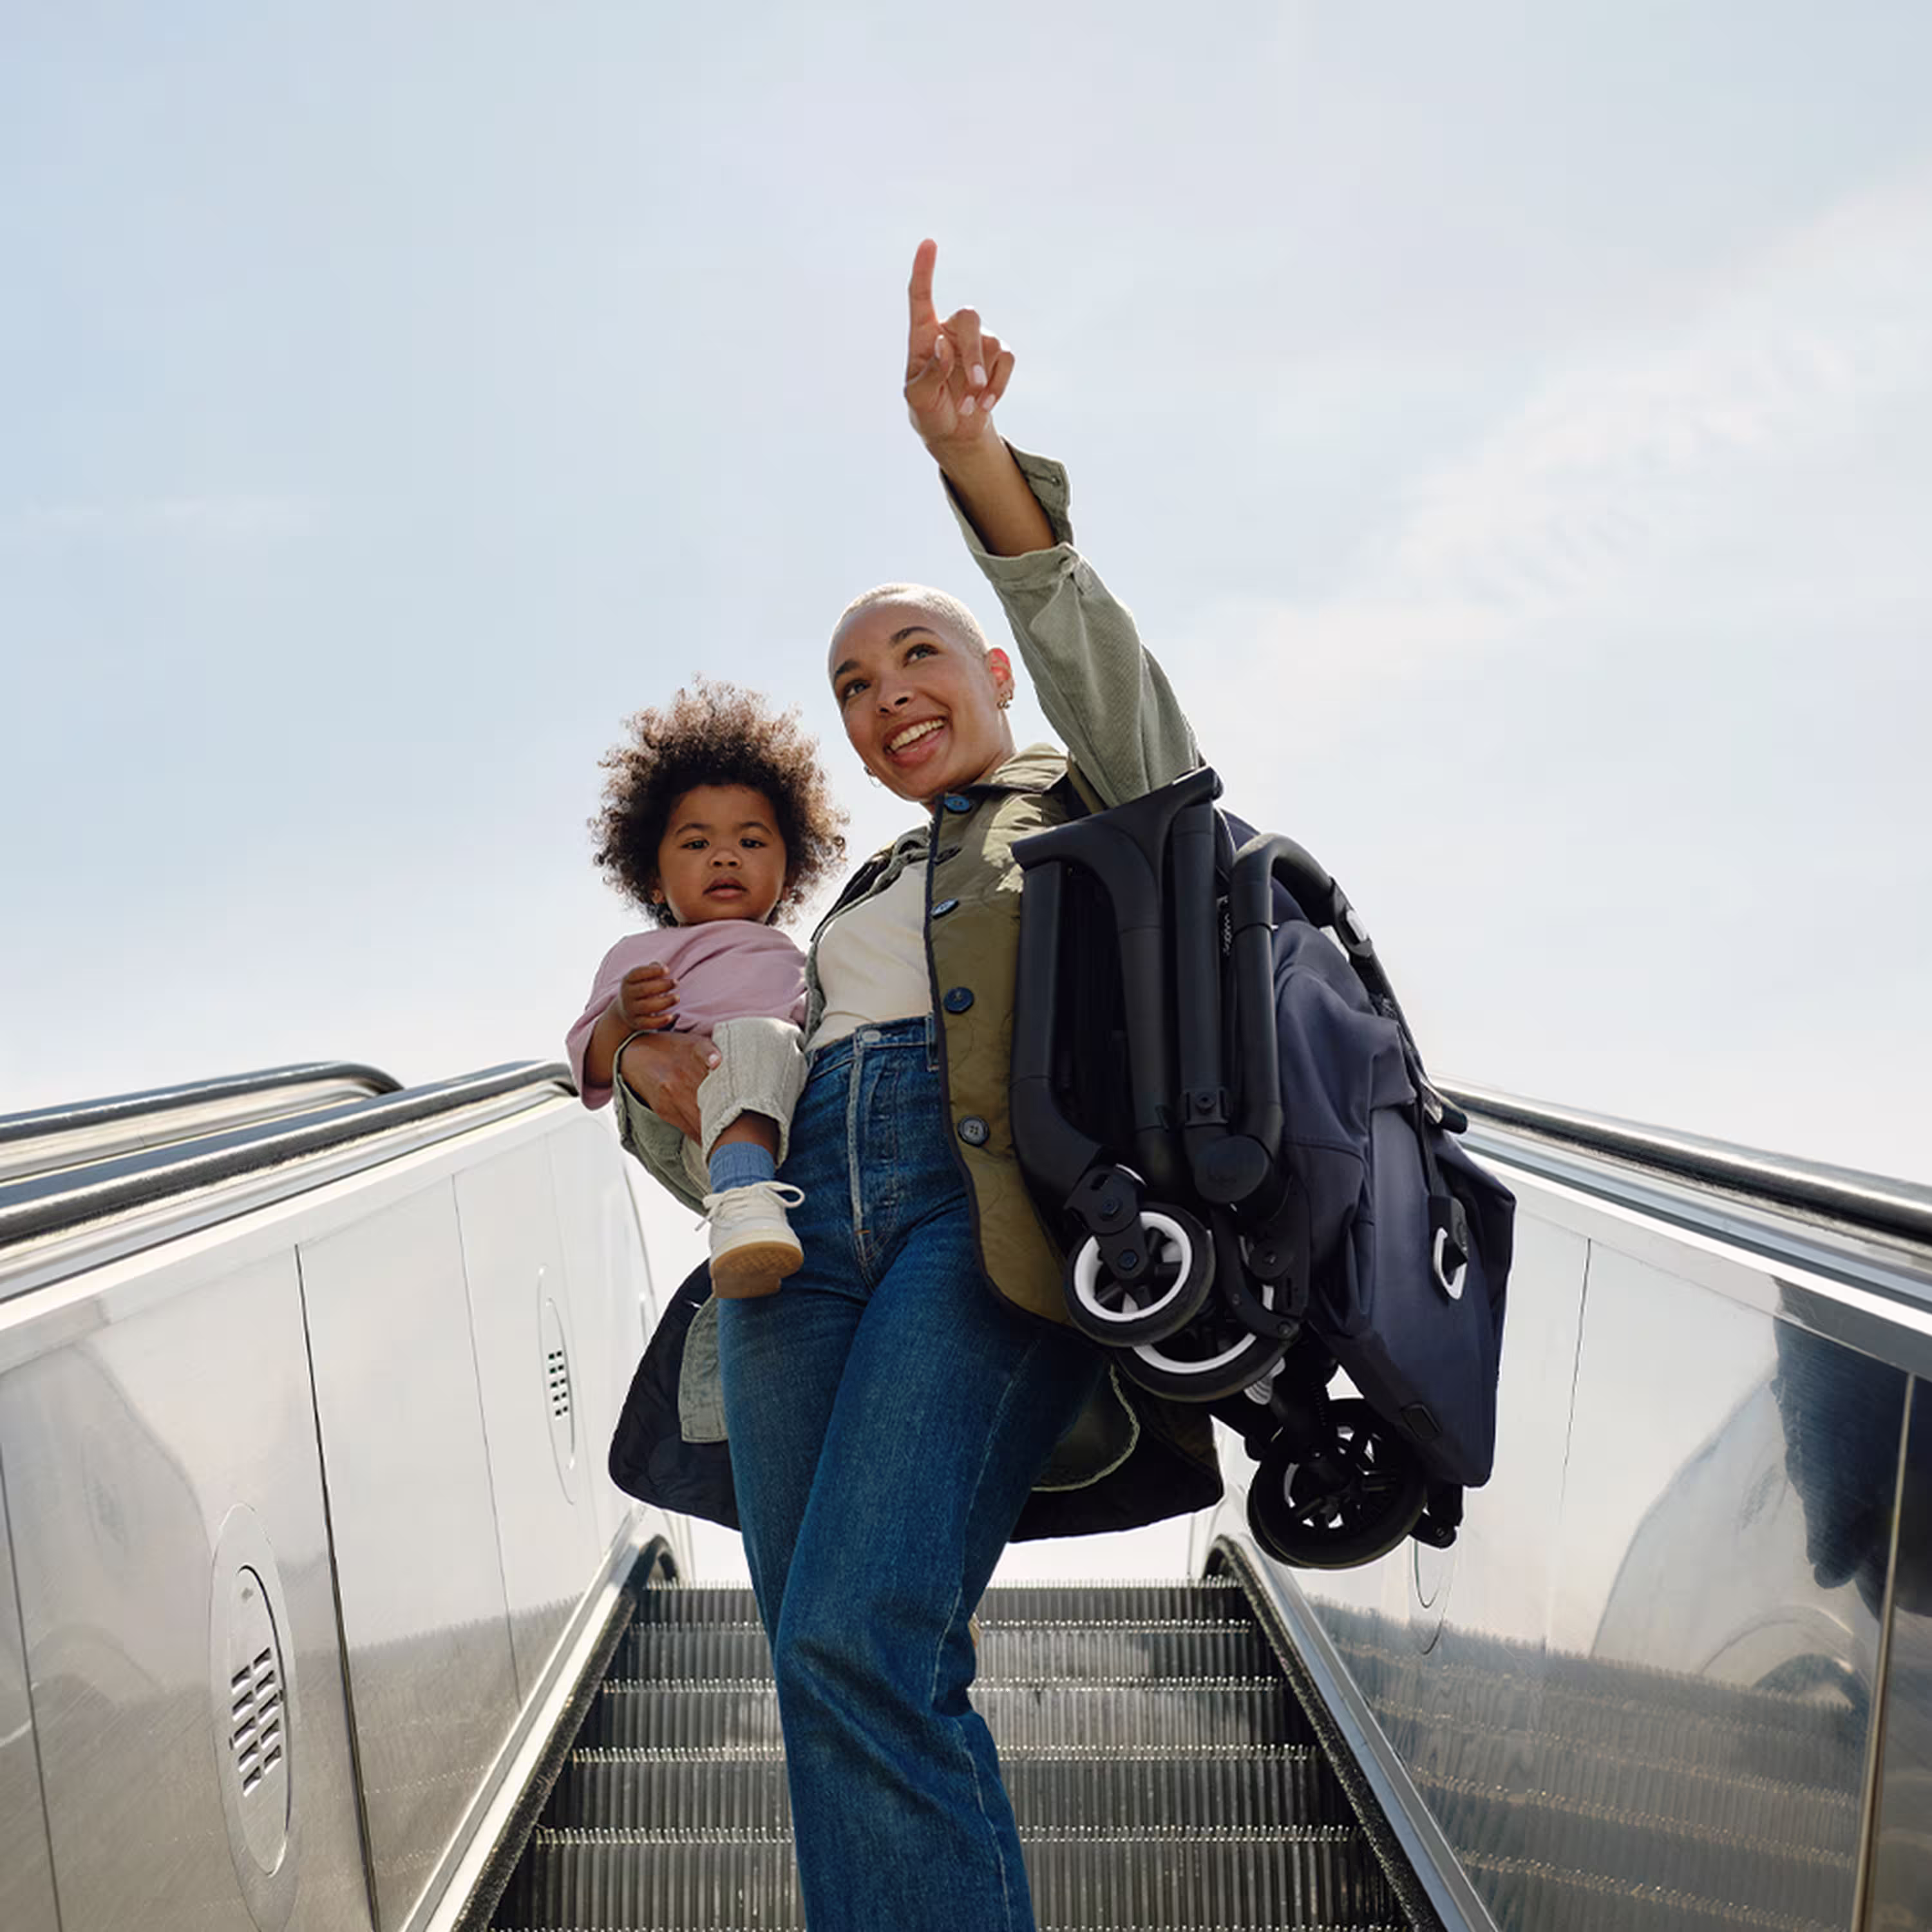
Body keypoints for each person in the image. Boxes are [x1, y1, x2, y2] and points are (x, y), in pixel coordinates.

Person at [611, 238, 1213, 1932]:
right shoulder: (855, 906)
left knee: (864, 1630)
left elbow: (1114, 684)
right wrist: (661, 1086)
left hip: (980, 1216)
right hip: (800, 1247)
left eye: (917, 659)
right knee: (819, 1657)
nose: (888, 701)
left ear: (994, 674)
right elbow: (724, 1127)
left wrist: (973, 465)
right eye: (856, 690)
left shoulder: (1088, 797)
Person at [564, 678, 846, 1292]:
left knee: (778, 1044)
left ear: (788, 873)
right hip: (699, 1128)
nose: (724, 857)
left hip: (791, 1125)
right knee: (752, 1039)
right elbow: (588, 1061)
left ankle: (757, 1235)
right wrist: (623, 1015)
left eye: (750, 842)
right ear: (654, 880)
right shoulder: (643, 954)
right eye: (696, 843)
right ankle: (742, 1204)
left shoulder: (805, 955)